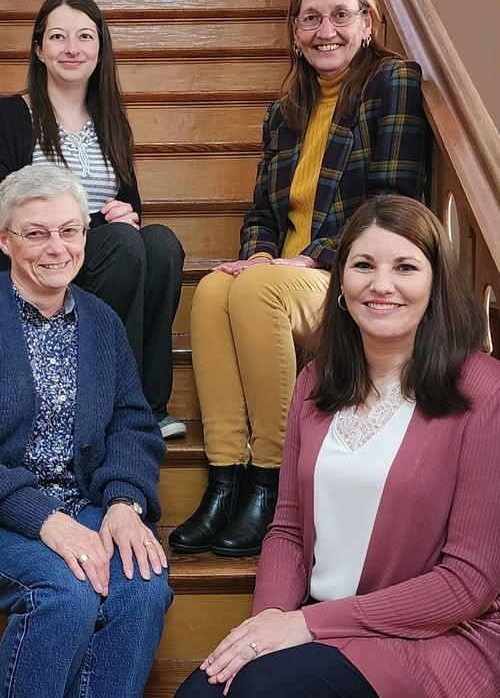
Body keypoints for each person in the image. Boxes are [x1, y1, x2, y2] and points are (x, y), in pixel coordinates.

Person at [174, 194, 499, 698]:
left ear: (435, 284)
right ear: (341, 284)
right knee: (199, 694)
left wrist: (308, 626)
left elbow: (467, 583)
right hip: (320, 628)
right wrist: (271, 624)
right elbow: (286, 529)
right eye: (363, 265)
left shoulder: (482, 390)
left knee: (259, 692)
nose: (381, 284)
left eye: (406, 267)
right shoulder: (315, 382)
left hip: (431, 637)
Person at [170, 0, 431, 557]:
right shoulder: (283, 111)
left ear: (367, 23)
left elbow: (390, 205)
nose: (325, 30)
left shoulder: (392, 83)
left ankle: (275, 485)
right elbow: (262, 213)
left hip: (351, 275)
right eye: (310, 18)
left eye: (340, 15)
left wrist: (311, 259)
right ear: (294, 32)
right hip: (284, 277)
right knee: (213, 290)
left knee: (256, 289)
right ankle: (225, 482)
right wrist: (258, 254)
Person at [0, 166, 173, 698]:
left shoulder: (102, 321)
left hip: (83, 499)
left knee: (144, 590)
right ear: (4, 238)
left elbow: (133, 423)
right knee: (67, 593)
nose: (56, 248)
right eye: (36, 232)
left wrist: (123, 502)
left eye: (70, 230)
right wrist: (43, 519)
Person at [0, 0, 186, 440]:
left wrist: (126, 213)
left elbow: (131, 206)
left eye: (85, 36)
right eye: (58, 37)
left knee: (161, 243)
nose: (73, 48)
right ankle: (107, 399)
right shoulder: (8, 114)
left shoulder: (111, 119)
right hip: (39, 262)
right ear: (39, 49)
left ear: (100, 48)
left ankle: (148, 405)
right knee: (125, 244)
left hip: (106, 257)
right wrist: (89, 225)